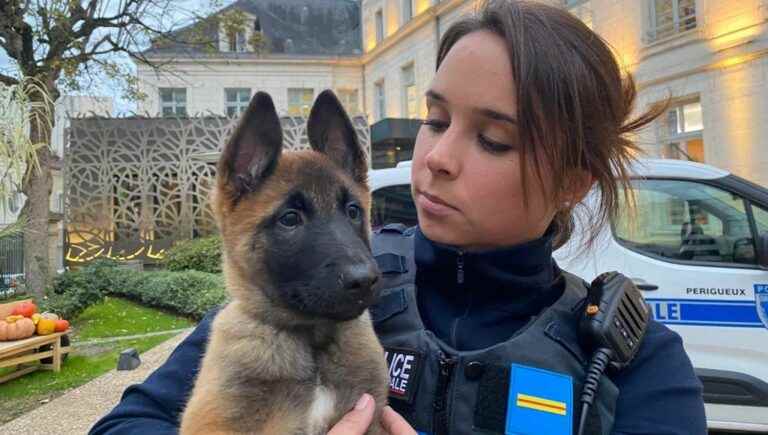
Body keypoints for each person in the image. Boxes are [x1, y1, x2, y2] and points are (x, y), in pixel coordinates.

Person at [90, 1, 706, 434]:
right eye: (435, 119)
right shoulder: (314, 301)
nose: (435, 158)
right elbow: (125, 425)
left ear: (573, 183)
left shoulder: (633, 361)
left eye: (493, 140)